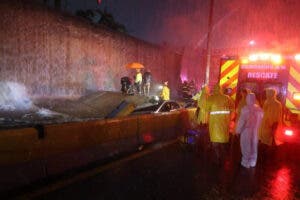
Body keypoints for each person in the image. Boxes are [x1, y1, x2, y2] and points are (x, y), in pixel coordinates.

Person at [206, 84, 235, 165]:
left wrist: (207, 122)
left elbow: (206, 111)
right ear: (221, 89)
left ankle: (218, 156)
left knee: (215, 142)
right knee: (223, 141)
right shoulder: (227, 98)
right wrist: (230, 120)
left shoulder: (210, 98)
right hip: (224, 124)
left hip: (214, 125)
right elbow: (233, 110)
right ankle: (224, 156)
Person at [235, 93, 263, 168]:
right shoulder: (259, 109)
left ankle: (245, 162)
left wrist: (238, 131)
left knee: (246, 145)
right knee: (253, 146)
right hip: (256, 130)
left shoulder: (245, 109)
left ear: (247, 99)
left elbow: (242, 121)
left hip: (246, 130)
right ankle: (253, 161)